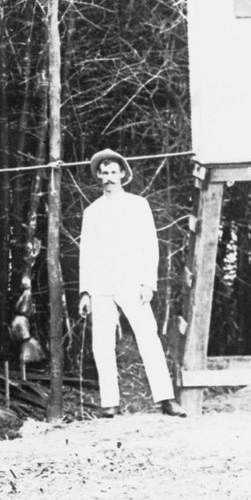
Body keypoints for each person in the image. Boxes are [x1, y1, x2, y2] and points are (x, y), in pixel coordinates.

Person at [76, 149, 186, 418]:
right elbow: (86, 253)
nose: (109, 177)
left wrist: (148, 283)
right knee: (101, 344)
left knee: (148, 338)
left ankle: (166, 399)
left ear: (123, 174)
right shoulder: (92, 212)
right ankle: (110, 403)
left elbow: (150, 246)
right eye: (104, 172)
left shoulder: (138, 205)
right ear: (99, 177)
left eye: (114, 172)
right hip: (101, 285)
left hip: (131, 283)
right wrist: (85, 291)